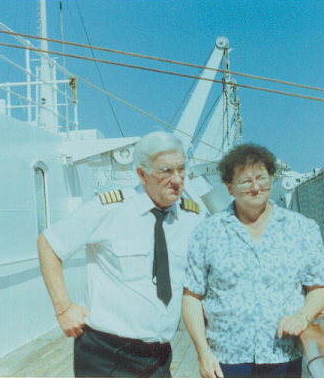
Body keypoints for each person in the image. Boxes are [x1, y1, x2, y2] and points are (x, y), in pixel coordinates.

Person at [38, 131, 207, 377]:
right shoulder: (110, 209)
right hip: (106, 354)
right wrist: (63, 308)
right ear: (142, 173)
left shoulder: (194, 218)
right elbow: (49, 243)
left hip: (158, 358)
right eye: (166, 171)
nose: (177, 179)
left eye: (181, 169)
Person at [182, 143, 324, 378]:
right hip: (225, 359)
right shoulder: (206, 233)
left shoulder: (302, 228)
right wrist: (203, 352)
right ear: (229, 188)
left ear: (271, 181)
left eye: (262, 178)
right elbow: (191, 296)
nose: (255, 187)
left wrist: (302, 316)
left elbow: (321, 286)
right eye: (245, 181)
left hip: (282, 355)